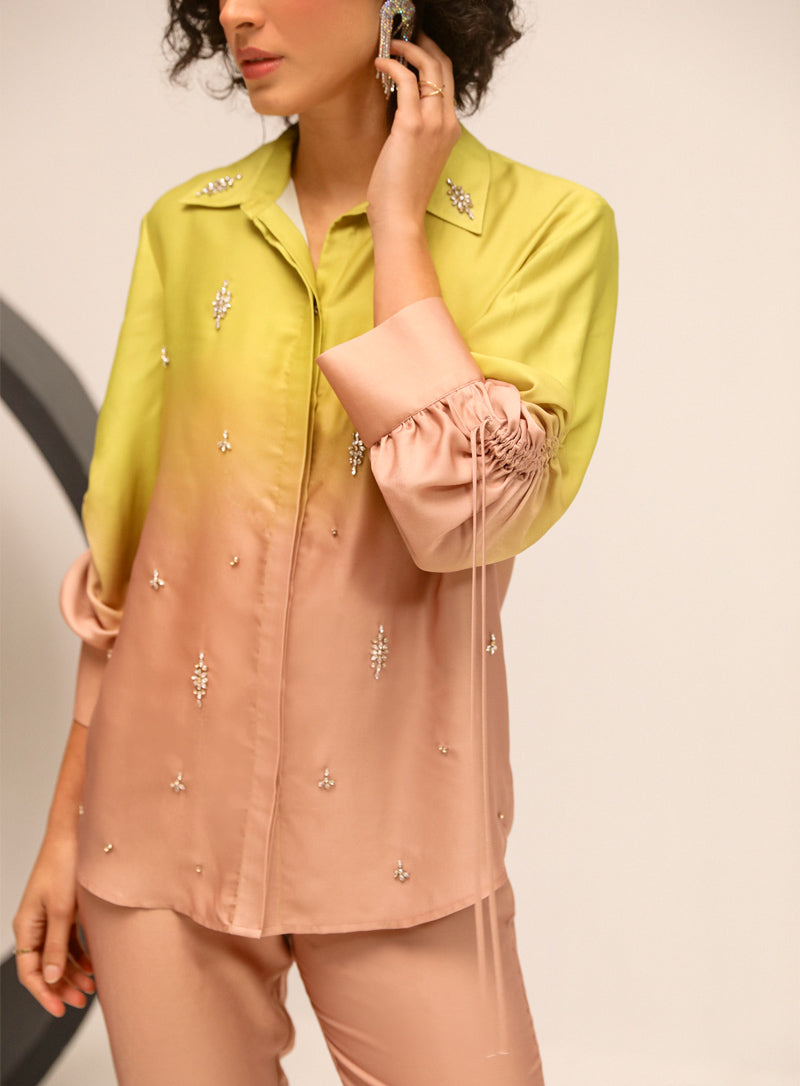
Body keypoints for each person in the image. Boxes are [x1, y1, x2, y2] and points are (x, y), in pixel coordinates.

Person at [13, 0, 618, 1081]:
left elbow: (466, 514)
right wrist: (64, 831)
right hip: (156, 833)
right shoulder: (186, 228)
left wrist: (399, 229)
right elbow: (132, 557)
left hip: (400, 848)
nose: (236, 11)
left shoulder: (548, 230)